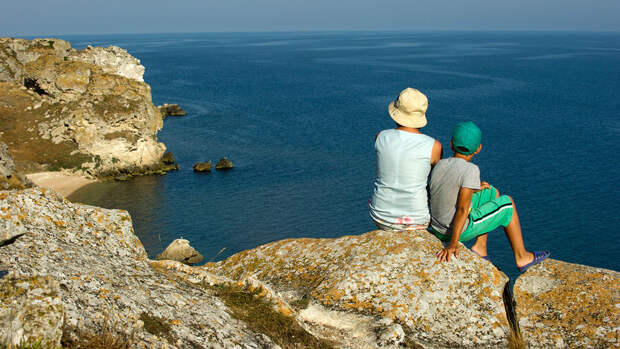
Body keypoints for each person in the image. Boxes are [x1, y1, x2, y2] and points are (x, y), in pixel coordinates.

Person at [428, 121, 549, 272]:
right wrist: (453, 244)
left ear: (451, 144)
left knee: (491, 192)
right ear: (478, 149)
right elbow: (462, 209)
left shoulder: (441, 164)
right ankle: (522, 256)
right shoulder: (471, 170)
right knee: (507, 203)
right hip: (455, 231)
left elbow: (445, 189)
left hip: (436, 226)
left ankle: (481, 247)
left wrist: (474, 189)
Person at [369, 88, 442, 231]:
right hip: (415, 220)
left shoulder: (381, 136)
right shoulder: (434, 146)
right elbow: (435, 181)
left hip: (379, 215)